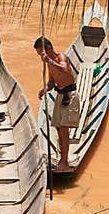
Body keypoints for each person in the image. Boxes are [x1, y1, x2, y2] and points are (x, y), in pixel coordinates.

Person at [34, 35, 80, 172]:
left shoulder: (61, 57)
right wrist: (44, 89)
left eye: (41, 53)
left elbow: (64, 69)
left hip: (69, 95)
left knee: (64, 128)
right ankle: (62, 159)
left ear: (48, 49)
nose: (41, 58)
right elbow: (52, 83)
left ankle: (64, 162)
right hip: (60, 96)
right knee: (59, 128)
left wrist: (49, 61)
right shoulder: (49, 63)